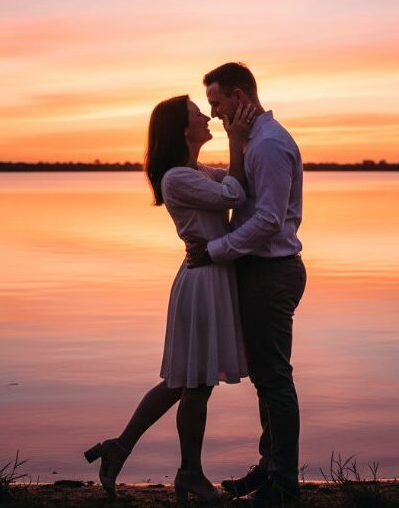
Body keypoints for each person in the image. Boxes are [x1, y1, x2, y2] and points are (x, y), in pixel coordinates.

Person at [85, 94, 257, 506]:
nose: (206, 116)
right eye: (199, 113)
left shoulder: (195, 171)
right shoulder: (177, 177)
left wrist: (249, 140)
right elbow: (234, 195)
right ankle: (190, 476)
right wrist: (236, 139)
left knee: (181, 381)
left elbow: (239, 182)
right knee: (194, 384)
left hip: (209, 277)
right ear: (183, 129)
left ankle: (119, 447)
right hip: (201, 284)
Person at [186, 62, 307, 507]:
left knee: (275, 379)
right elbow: (232, 189)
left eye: (217, 102)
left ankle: (284, 485)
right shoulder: (252, 142)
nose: (214, 112)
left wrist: (215, 251)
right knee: (266, 378)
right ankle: (270, 466)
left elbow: (269, 220)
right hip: (258, 271)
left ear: (239, 97)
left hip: (272, 272)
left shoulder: (270, 146)